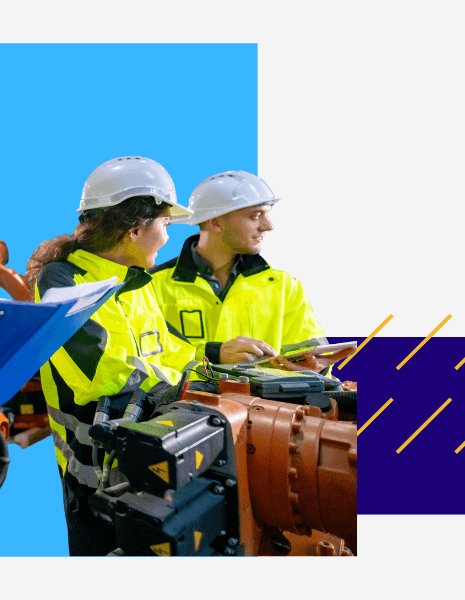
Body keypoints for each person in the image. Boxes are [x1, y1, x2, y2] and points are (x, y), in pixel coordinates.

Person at [26, 156, 199, 556]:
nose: (168, 238)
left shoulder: (139, 282)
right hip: (94, 481)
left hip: (154, 461)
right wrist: (188, 389)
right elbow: (103, 373)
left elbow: (172, 351)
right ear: (135, 228)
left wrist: (219, 372)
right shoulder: (62, 280)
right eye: (165, 225)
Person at [148, 171, 347, 373]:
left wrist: (315, 368)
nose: (268, 226)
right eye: (255, 215)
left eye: (266, 214)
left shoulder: (285, 288)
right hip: (184, 404)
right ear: (215, 222)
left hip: (271, 404)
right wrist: (214, 354)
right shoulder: (150, 286)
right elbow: (145, 359)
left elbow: (314, 360)